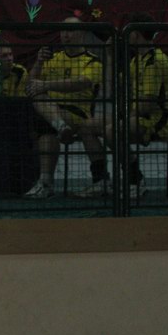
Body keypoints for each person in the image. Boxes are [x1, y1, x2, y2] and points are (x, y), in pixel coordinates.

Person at [75, 12, 168, 198]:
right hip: (136, 114)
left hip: (156, 119)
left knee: (112, 131)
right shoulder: (136, 60)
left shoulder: (154, 61)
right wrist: (109, 55)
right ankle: (101, 181)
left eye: (128, 32)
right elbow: (112, 86)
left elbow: (147, 105)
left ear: (136, 34)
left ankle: (135, 180)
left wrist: (122, 118)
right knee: (86, 126)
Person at [23, 17, 104, 199]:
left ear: (81, 34)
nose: (66, 35)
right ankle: (46, 182)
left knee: (43, 120)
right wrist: (39, 63)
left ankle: (47, 181)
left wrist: (46, 85)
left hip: (77, 114)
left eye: (70, 30)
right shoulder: (54, 58)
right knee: (42, 115)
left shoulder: (92, 61)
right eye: (63, 30)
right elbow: (30, 86)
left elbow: (81, 83)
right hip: (52, 113)